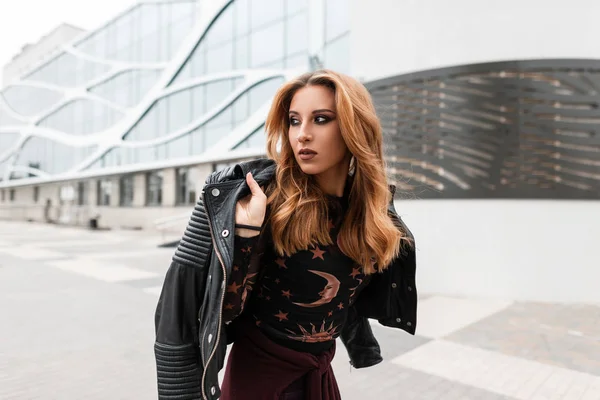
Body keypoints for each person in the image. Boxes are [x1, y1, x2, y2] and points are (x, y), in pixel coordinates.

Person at [154, 70, 417, 400]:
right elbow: (209, 309)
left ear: (354, 128)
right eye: (294, 121)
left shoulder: (372, 211)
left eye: (320, 119)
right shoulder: (256, 197)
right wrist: (246, 233)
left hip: (319, 373)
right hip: (259, 378)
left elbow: (347, 299)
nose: (302, 135)